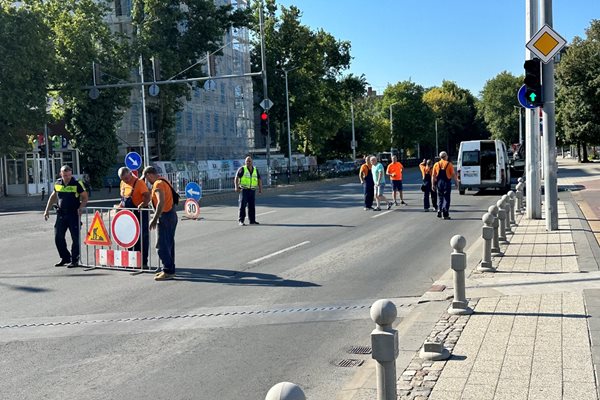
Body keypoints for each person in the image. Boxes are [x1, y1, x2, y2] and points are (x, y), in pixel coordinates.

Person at [43, 165, 88, 268]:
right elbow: (53, 196)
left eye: (68, 175)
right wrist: (46, 210)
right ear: (61, 174)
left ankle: (75, 260)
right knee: (58, 237)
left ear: (71, 173)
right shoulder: (58, 183)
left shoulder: (77, 184)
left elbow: (85, 197)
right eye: (64, 175)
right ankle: (65, 258)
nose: (67, 177)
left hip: (73, 214)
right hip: (61, 214)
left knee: (75, 238)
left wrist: (80, 208)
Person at [140, 166, 178, 281]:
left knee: (161, 246)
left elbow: (161, 202)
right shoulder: (164, 180)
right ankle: (170, 269)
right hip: (171, 215)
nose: (147, 181)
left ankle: (168, 271)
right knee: (169, 244)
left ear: (150, 175)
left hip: (165, 216)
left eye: (146, 178)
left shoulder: (158, 184)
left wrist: (155, 218)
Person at [118, 167, 151, 267]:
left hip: (140, 213)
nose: (126, 181)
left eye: (127, 178)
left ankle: (143, 261)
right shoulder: (123, 183)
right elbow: (123, 198)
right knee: (130, 237)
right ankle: (132, 260)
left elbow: (147, 195)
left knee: (142, 237)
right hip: (128, 215)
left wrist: (143, 204)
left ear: (130, 174)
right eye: (123, 179)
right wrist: (120, 206)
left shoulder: (139, 183)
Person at [234, 156, 263, 226]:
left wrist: (260, 188)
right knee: (242, 206)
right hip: (244, 190)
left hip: (252, 190)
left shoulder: (255, 170)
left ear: (252, 162)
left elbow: (259, 179)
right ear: (245, 162)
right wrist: (236, 187)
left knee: (252, 206)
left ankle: (252, 220)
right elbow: (236, 178)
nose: (248, 162)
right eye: (247, 161)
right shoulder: (242, 169)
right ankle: (241, 220)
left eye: (249, 161)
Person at [432, 151, 459, 220]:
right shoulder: (449, 164)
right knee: (447, 199)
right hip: (446, 183)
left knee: (440, 198)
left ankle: (439, 210)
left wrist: (433, 184)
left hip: (439, 183)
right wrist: (456, 182)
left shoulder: (436, 164)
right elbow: (453, 174)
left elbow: (433, 176)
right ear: (446, 156)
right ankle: (445, 213)